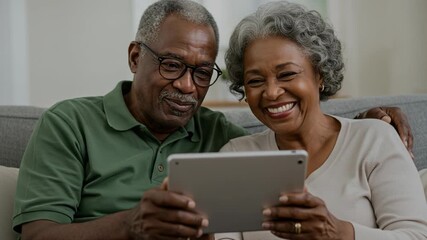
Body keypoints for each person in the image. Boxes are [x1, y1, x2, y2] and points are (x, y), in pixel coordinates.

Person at [12, 0, 415, 239]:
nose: (187, 86)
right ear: (136, 58)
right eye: (172, 65)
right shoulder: (70, 123)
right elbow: (38, 235)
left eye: (203, 72)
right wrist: (132, 225)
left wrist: (371, 124)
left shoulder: (223, 136)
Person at [216, 1, 427, 239]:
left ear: (321, 75)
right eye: (255, 81)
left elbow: (416, 236)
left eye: (287, 74)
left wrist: (337, 232)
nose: (272, 92)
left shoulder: (374, 139)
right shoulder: (236, 156)